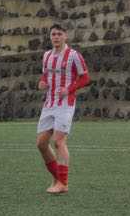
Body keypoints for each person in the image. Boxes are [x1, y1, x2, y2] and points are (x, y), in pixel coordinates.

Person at [36, 24, 90, 194]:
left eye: (59, 34)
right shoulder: (46, 55)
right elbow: (45, 75)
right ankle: (57, 179)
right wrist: (42, 83)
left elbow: (85, 78)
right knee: (41, 143)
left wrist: (69, 89)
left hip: (65, 104)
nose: (56, 37)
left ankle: (63, 183)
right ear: (50, 37)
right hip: (49, 104)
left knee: (58, 142)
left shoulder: (74, 55)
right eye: (53, 34)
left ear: (65, 36)